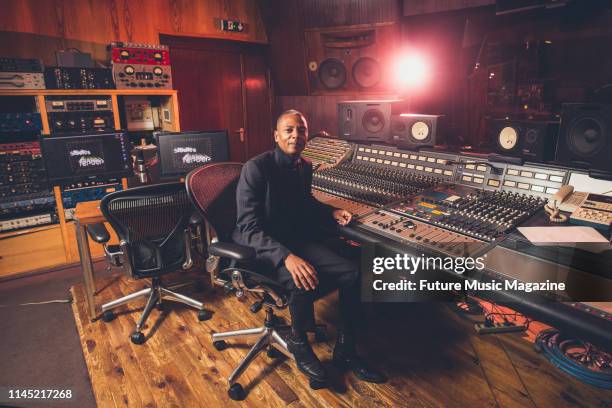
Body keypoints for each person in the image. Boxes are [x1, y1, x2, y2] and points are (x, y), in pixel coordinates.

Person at [232, 109, 387, 385]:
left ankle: (346, 348)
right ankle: (299, 341)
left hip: (297, 241)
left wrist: (330, 212)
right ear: (276, 135)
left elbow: (305, 202)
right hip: (264, 250)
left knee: (352, 272)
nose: (296, 135)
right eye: (289, 130)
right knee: (302, 278)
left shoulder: (303, 166)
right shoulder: (256, 168)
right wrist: (286, 257)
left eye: (301, 130)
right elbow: (248, 228)